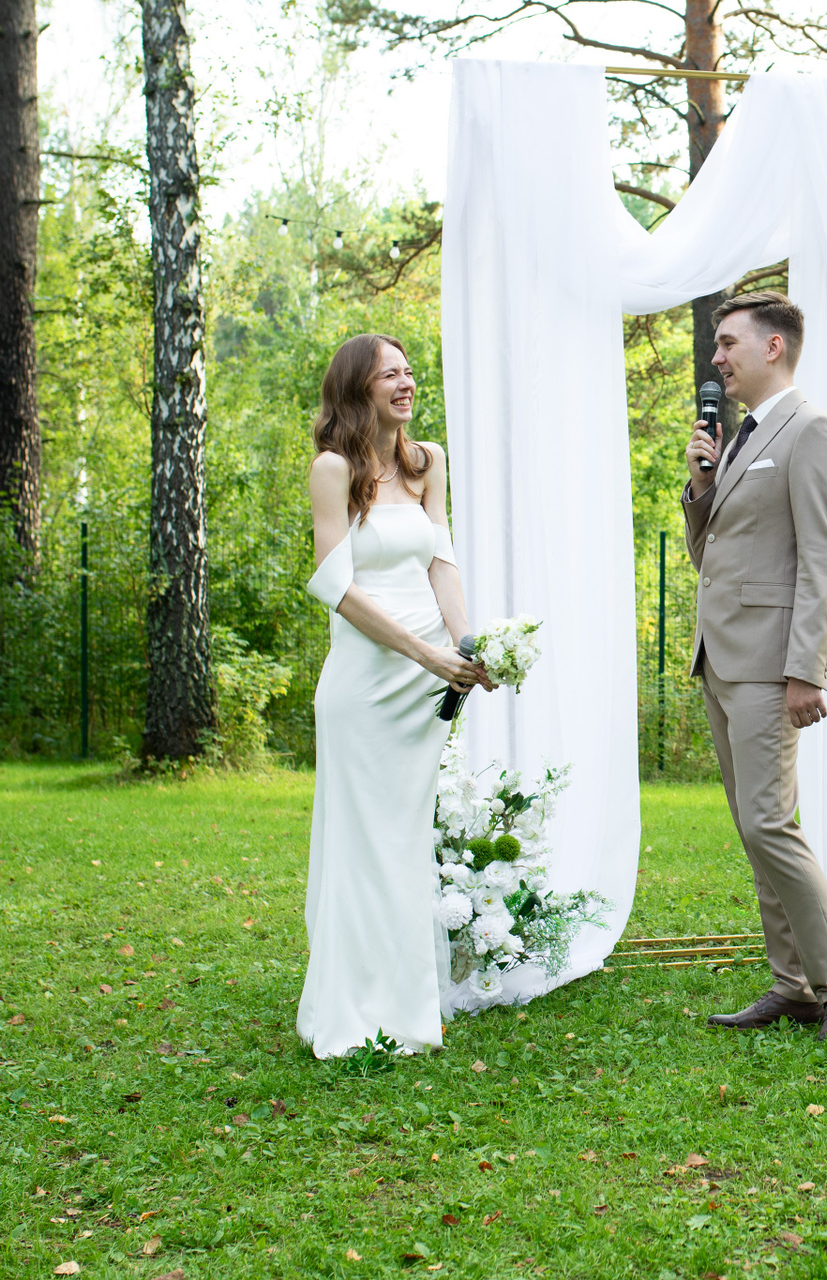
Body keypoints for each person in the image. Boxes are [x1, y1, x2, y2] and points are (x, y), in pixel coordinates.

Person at [297, 334, 492, 1057]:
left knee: (407, 839)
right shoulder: (332, 470)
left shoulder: (427, 462)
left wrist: (467, 646)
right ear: (359, 388)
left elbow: (441, 562)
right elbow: (337, 586)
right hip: (368, 680)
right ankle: (354, 1005)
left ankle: (411, 1002)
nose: (406, 384)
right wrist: (425, 653)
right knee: (364, 843)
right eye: (389, 375)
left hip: (427, 677)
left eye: (409, 372)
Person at [681, 291, 827, 1041]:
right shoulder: (741, 438)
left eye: (728, 343)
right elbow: (712, 555)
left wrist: (805, 671)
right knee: (755, 830)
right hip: (721, 660)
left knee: (769, 825)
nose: (716, 358)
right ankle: (794, 986)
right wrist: (702, 488)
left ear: (773, 347)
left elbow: (823, 561)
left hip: (769, 665)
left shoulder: (812, 432)